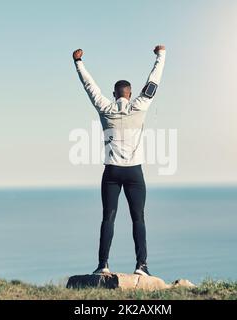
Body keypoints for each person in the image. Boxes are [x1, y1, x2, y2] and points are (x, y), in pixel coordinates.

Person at [72, 45, 166, 276]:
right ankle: (141, 266)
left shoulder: (105, 108)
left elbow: (89, 87)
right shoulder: (140, 105)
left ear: (114, 94)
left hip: (112, 172)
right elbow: (154, 81)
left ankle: (102, 265)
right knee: (138, 219)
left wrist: (78, 63)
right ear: (130, 93)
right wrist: (161, 55)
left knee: (108, 218)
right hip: (134, 173)